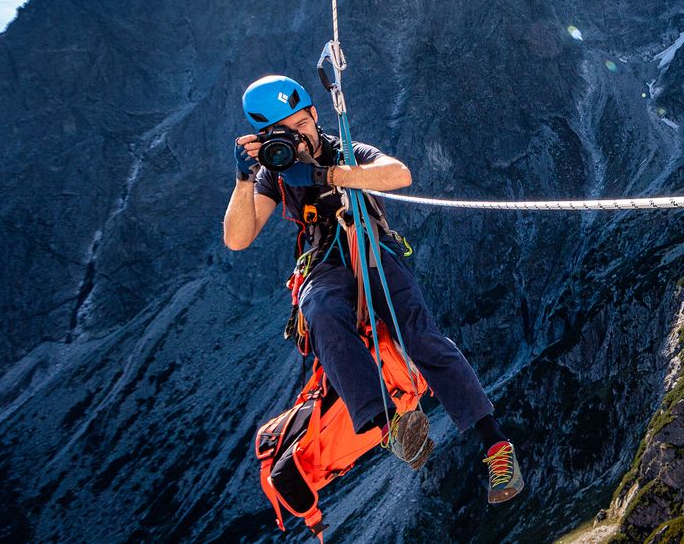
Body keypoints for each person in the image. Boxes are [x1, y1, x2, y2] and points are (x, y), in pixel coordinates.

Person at [223, 74, 523, 504]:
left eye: (301, 124)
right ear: (267, 137)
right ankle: (389, 427)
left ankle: (496, 445)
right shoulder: (274, 175)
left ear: (314, 114)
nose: (297, 136)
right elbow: (238, 238)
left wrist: (326, 172)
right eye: (283, 132)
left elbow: (398, 174)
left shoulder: (346, 150)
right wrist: (243, 179)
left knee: (421, 335)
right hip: (324, 263)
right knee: (321, 310)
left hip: (370, 248)